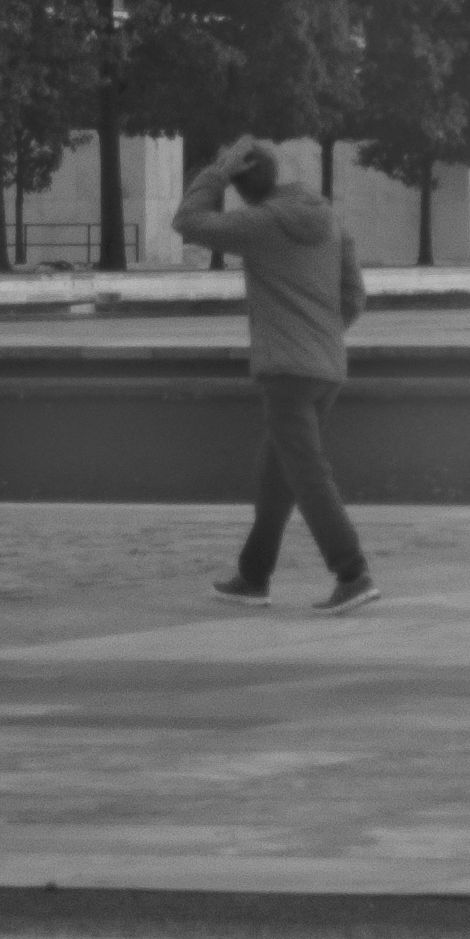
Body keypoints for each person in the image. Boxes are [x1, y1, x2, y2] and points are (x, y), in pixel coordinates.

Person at [175, 137, 380, 614]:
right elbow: (355, 296)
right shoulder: (329, 218)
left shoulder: (260, 223)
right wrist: (324, 337)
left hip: (287, 370)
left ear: (244, 188)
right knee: (277, 475)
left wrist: (216, 172)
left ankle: (352, 572)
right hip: (327, 368)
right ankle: (253, 576)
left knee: (306, 473)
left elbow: (187, 221)